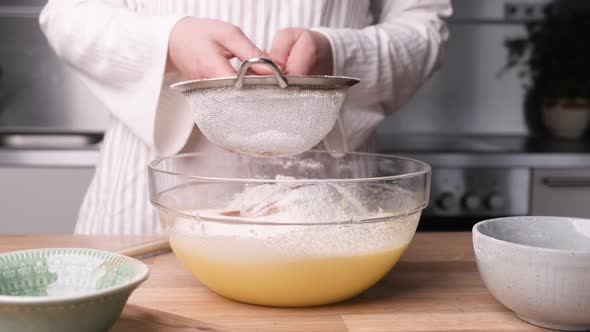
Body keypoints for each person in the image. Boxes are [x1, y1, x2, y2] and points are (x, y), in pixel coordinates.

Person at [39, 0, 452, 235]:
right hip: (144, 212)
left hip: (329, 211)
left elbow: (424, 25)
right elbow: (66, 13)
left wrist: (336, 51)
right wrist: (167, 41)